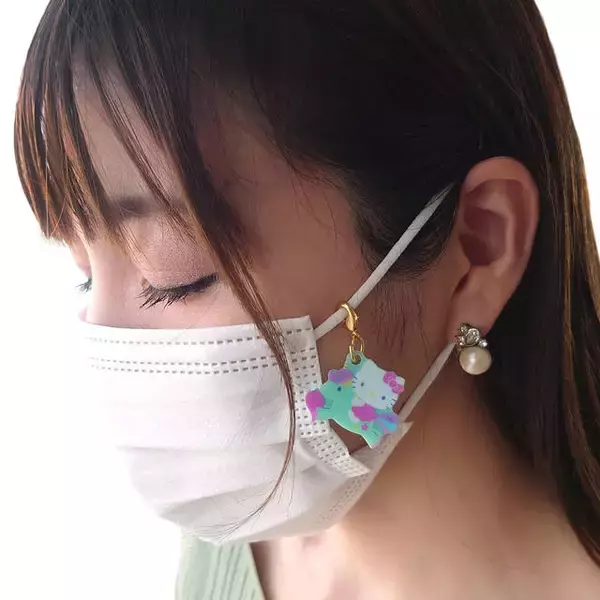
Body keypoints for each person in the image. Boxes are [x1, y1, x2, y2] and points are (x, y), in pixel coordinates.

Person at [14, 1, 600, 598]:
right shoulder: (247, 512)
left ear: (480, 244)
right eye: (85, 274)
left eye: (175, 275)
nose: (107, 332)